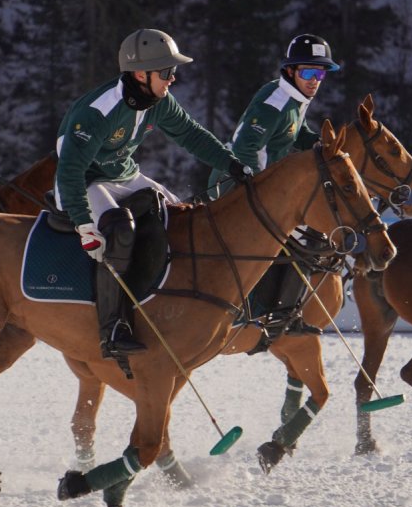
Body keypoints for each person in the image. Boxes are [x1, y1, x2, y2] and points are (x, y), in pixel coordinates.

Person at [56, 28, 248, 358]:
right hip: (84, 182)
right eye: (166, 72)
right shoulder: (98, 112)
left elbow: (191, 134)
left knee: (181, 216)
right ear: (140, 74)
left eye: (173, 71)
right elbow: (69, 171)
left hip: (124, 175)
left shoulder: (157, 100)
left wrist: (231, 164)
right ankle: (112, 328)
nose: (172, 79)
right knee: (118, 231)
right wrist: (85, 226)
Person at [207, 34, 339, 340]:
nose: (315, 80)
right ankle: (272, 315)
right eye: (308, 72)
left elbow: (296, 133)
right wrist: (263, 193)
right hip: (235, 186)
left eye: (320, 74)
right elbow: (244, 147)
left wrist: (319, 144)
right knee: (301, 238)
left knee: (308, 238)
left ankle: (284, 316)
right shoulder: (275, 100)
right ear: (291, 71)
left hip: (260, 186)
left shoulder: (296, 98)